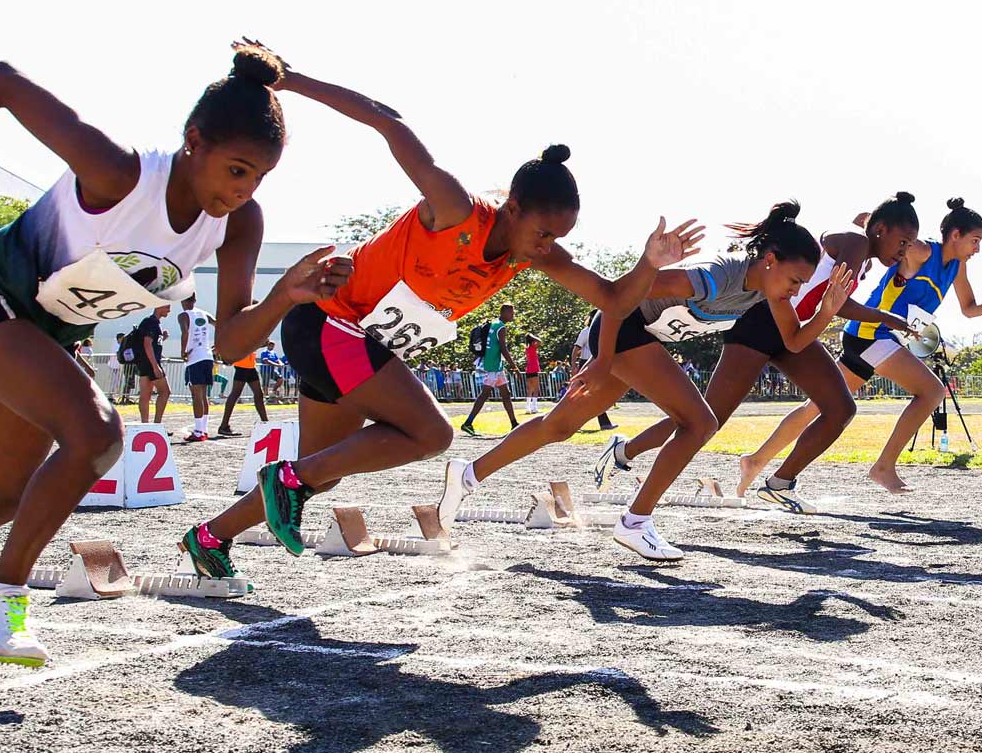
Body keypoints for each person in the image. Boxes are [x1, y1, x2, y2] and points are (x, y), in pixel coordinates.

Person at [0, 42, 341, 666]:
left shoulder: (239, 225)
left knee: (0, 498)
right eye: (237, 170)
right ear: (195, 141)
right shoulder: (120, 174)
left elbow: (229, 343)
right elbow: (3, 80)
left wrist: (284, 297)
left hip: (45, 332)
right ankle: (2, 597)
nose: (243, 192)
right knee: (97, 434)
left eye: (259, 179)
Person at [176, 48, 697, 580]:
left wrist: (649, 263)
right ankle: (285, 483)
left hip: (353, 343)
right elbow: (387, 122)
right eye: (542, 234)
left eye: (558, 240)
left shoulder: (534, 255)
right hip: (329, 322)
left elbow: (613, 300)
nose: (546, 249)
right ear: (512, 209)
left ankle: (210, 537)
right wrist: (295, 81)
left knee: (319, 474)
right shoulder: (454, 210)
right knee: (431, 434)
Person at [438, 202, 831, 561]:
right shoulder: (715, 278)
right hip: (620, 328)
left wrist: (827, 311)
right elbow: (618, 298)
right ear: (770, 260)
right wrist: (603, 358)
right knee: (700, 422)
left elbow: (795, 341)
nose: (796, 291)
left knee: (559, 426)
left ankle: (468, 473)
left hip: (638, 340)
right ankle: (635, 523)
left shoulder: (768, 296)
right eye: (795, 280)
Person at [612, 192, 922, 514]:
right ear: (880, 229)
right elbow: (839, 303)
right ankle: (624, 452)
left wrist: (870, 314)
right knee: (707, 418)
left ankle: (780, 484)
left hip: (791, 324)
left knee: (840, 408)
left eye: (909, 246)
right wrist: (888, 318)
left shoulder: (863, 257)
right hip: (760, 320)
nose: (903, 252)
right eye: (902, 242)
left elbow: (828, 305)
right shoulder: (858, 243)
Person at [736, 198, 982, 496]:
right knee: (931, 391)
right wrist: (866, 224)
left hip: (878, 337)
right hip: (872, 333)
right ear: (955, 235)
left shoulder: (957, 268)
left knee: (816, 407)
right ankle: (884, 467)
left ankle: (755, 460)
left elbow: (968, 308)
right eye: (975, 240)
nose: (977, 249)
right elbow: (886, 235)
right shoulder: (923, 250)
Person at [459, 304, 520, 435]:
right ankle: (468, 423)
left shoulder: (494, 323)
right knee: (484, 395)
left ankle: (514, 423)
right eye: (511, 313)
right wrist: (514, 367)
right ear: (504, 312)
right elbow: (503, 348)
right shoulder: (501, 327)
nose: (513, 316)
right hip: (493, 365)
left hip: (496, 365)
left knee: (506, 394)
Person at [218, 309, 269, 435]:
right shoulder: (246, 325)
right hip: (243, 364)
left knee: (258, 394)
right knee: (236, 394)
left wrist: (261, 343)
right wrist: (261, 343)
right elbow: (247, 343)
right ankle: (224, 425)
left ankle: (266, 423)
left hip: (249, 365)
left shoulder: (251, 324)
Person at [177, 294, 217, 442]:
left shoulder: (183, 315)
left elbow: (185, 332)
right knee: (203, 395)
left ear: (182, 300)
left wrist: (183, 351)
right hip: (207, 356)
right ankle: (203, 429)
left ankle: (199, 431)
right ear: (195, 300)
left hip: (195, 358)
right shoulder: (204, 314)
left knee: (196, 395)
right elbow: (219, 325)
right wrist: (218, 345)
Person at [126, 305, 173, 424]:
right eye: (167, 307)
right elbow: (147, 344)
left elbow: (152, 344)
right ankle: (157, 424)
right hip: (150, 362)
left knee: (145, 395)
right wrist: (155, 366)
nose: (169, 310)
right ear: (159, 307)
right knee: (165, 392)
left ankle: (145, 424)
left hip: (144, 363)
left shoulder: (153, 323)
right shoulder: (151, 322)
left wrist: (163, 338)